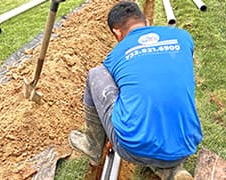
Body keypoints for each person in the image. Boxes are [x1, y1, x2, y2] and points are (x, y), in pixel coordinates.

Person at [69, 1, 203, 179]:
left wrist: (111, 130)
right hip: (188, 143)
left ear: (117, 32)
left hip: (133, 148)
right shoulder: (182, 37)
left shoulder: (115, 56)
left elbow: (122, 94)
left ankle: (93, 146)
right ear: (146, 21)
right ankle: (172, 170)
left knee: (96, 74)